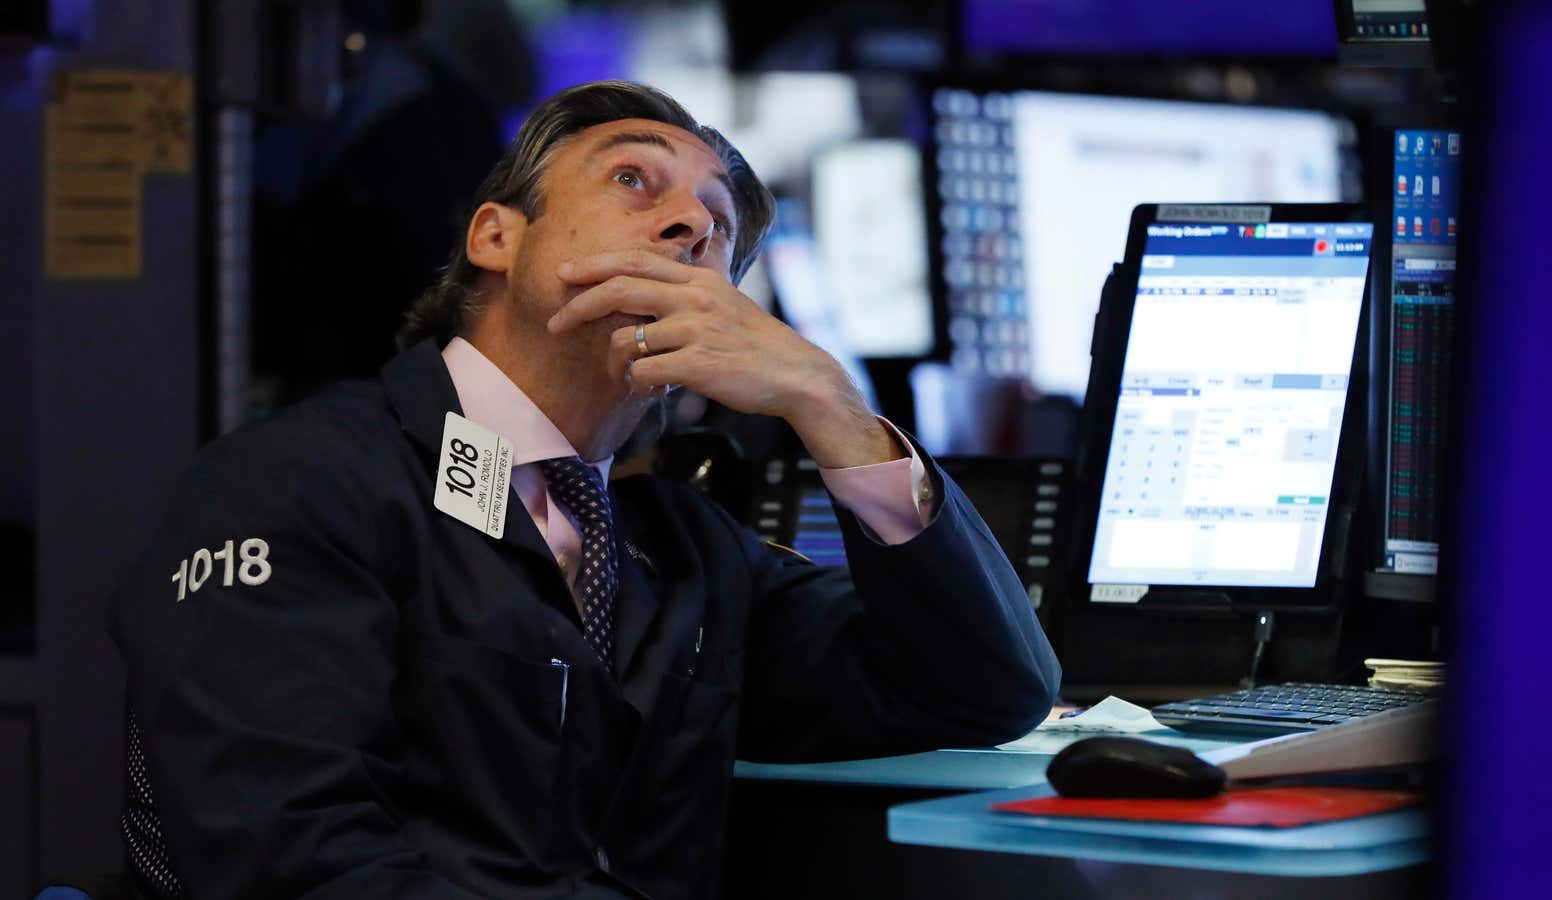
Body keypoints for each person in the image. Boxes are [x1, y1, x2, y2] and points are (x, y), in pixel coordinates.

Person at [111, 80, 1060, 900]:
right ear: (496, 236)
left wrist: (833, 407)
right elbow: (292, 864)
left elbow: (986, 691)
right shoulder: (304, 482)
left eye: (719, 227)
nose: (692, 225)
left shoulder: (682, 552)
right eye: (632, 180)